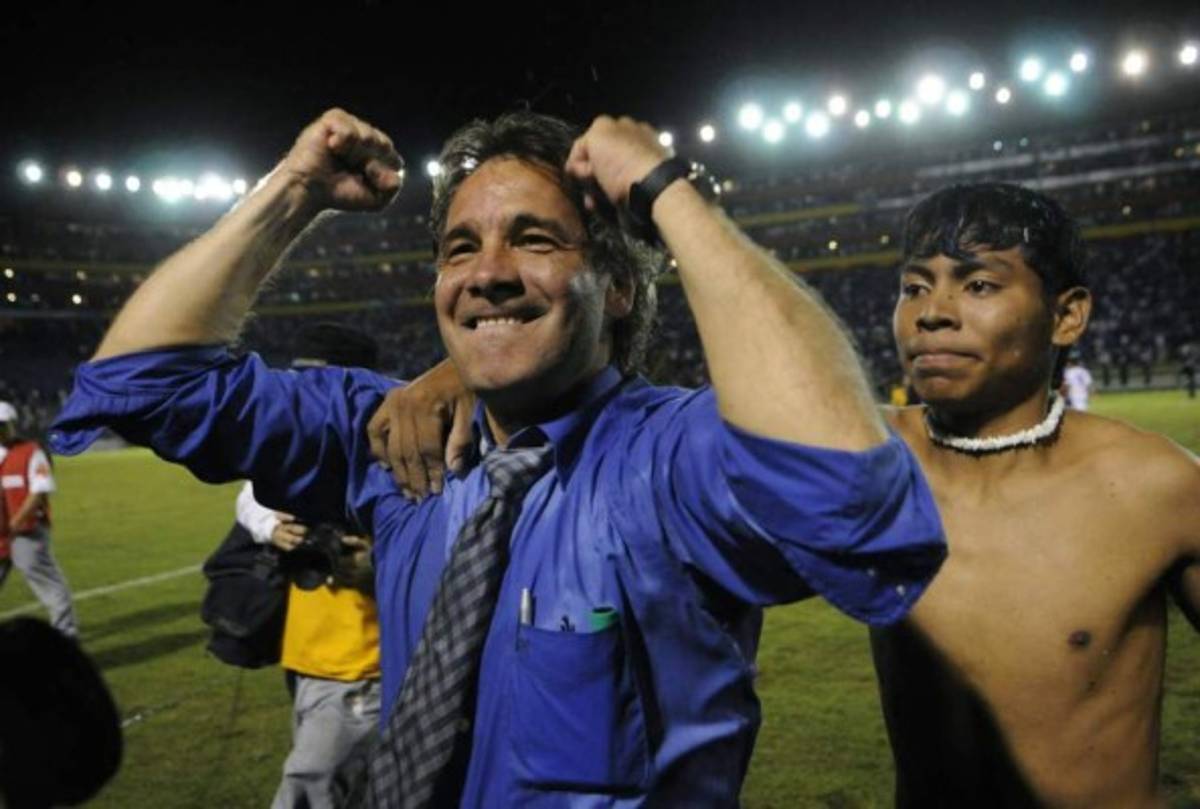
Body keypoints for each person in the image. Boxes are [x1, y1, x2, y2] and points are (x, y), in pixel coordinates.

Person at [50, 108, 946, 806]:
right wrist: (293, 190)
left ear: (620, 287)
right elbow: (141, 384)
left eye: (535, 238)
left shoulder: (671, 457)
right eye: (460, 247)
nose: (488, 271)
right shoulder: (390, 442)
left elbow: (852, 499)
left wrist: (671, 195)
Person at [873, 183, 1200, 807]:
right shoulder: (867, 462)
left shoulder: (1158, 486)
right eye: (914, 287)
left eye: (979, 286)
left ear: (1066, 315)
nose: (932, 312)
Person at [234, 323, 384, 809]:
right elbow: (248, 496)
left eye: (314, 381)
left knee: (307, 789)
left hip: (361, 662)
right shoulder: (306, 448)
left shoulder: (393, 450)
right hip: (306, 656)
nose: (300, 394)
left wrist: (377, 564)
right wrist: (268, 525)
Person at [0, 401, 77, 637]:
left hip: (27, 533)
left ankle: (66, 634)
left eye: (3, 425)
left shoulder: (31, 452)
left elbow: (39, 491)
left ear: (13, 424)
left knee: (48, 584)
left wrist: (15, 523)